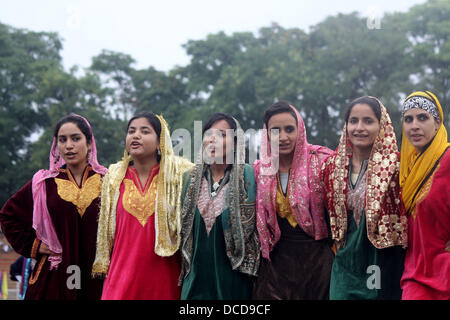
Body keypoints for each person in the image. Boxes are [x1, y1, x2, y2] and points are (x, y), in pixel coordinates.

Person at [0, 114, 107, 300]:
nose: (69, 145)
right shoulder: (43, 183)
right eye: (62, 140)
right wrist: (35, 245)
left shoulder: (109, 182)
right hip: (54, 277)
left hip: (97, 276)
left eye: (76, 138)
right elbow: (8, 216)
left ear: (89, 143)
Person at [92, 111, 193, 300]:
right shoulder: (113, 179)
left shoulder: (179, 177)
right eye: (131, 131)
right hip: (120, 282)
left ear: (159, 142)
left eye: (145, 131)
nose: (136, 135)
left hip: (165, 283)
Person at [322, 96, 407, 300]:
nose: (359, 127)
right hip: (345, 263)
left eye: (368, 121)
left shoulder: (397, 166)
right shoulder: (331, 167)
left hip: (382, 262)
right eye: (353, 121)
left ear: (382, 125)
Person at [252, 102, 334, 300]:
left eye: (289, 129)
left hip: (319, 263)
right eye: (275, 130)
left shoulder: (323, 161)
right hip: (276, 265)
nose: (283, 137)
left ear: (301, 130)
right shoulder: (259, 170)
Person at [179, 113, 259, 300]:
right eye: (208, 133)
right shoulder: (189, 179)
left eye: (222, 134)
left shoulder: (250, 177)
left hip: (233, 284)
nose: (213, 139)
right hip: (195, 283)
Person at [399, 91, 450, 300]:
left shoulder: (447, 160)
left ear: (437, 123)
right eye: (408, 119)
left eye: (423, 117)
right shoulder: (404, 168)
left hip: (445, 273)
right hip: (414, 276)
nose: (414, 126)